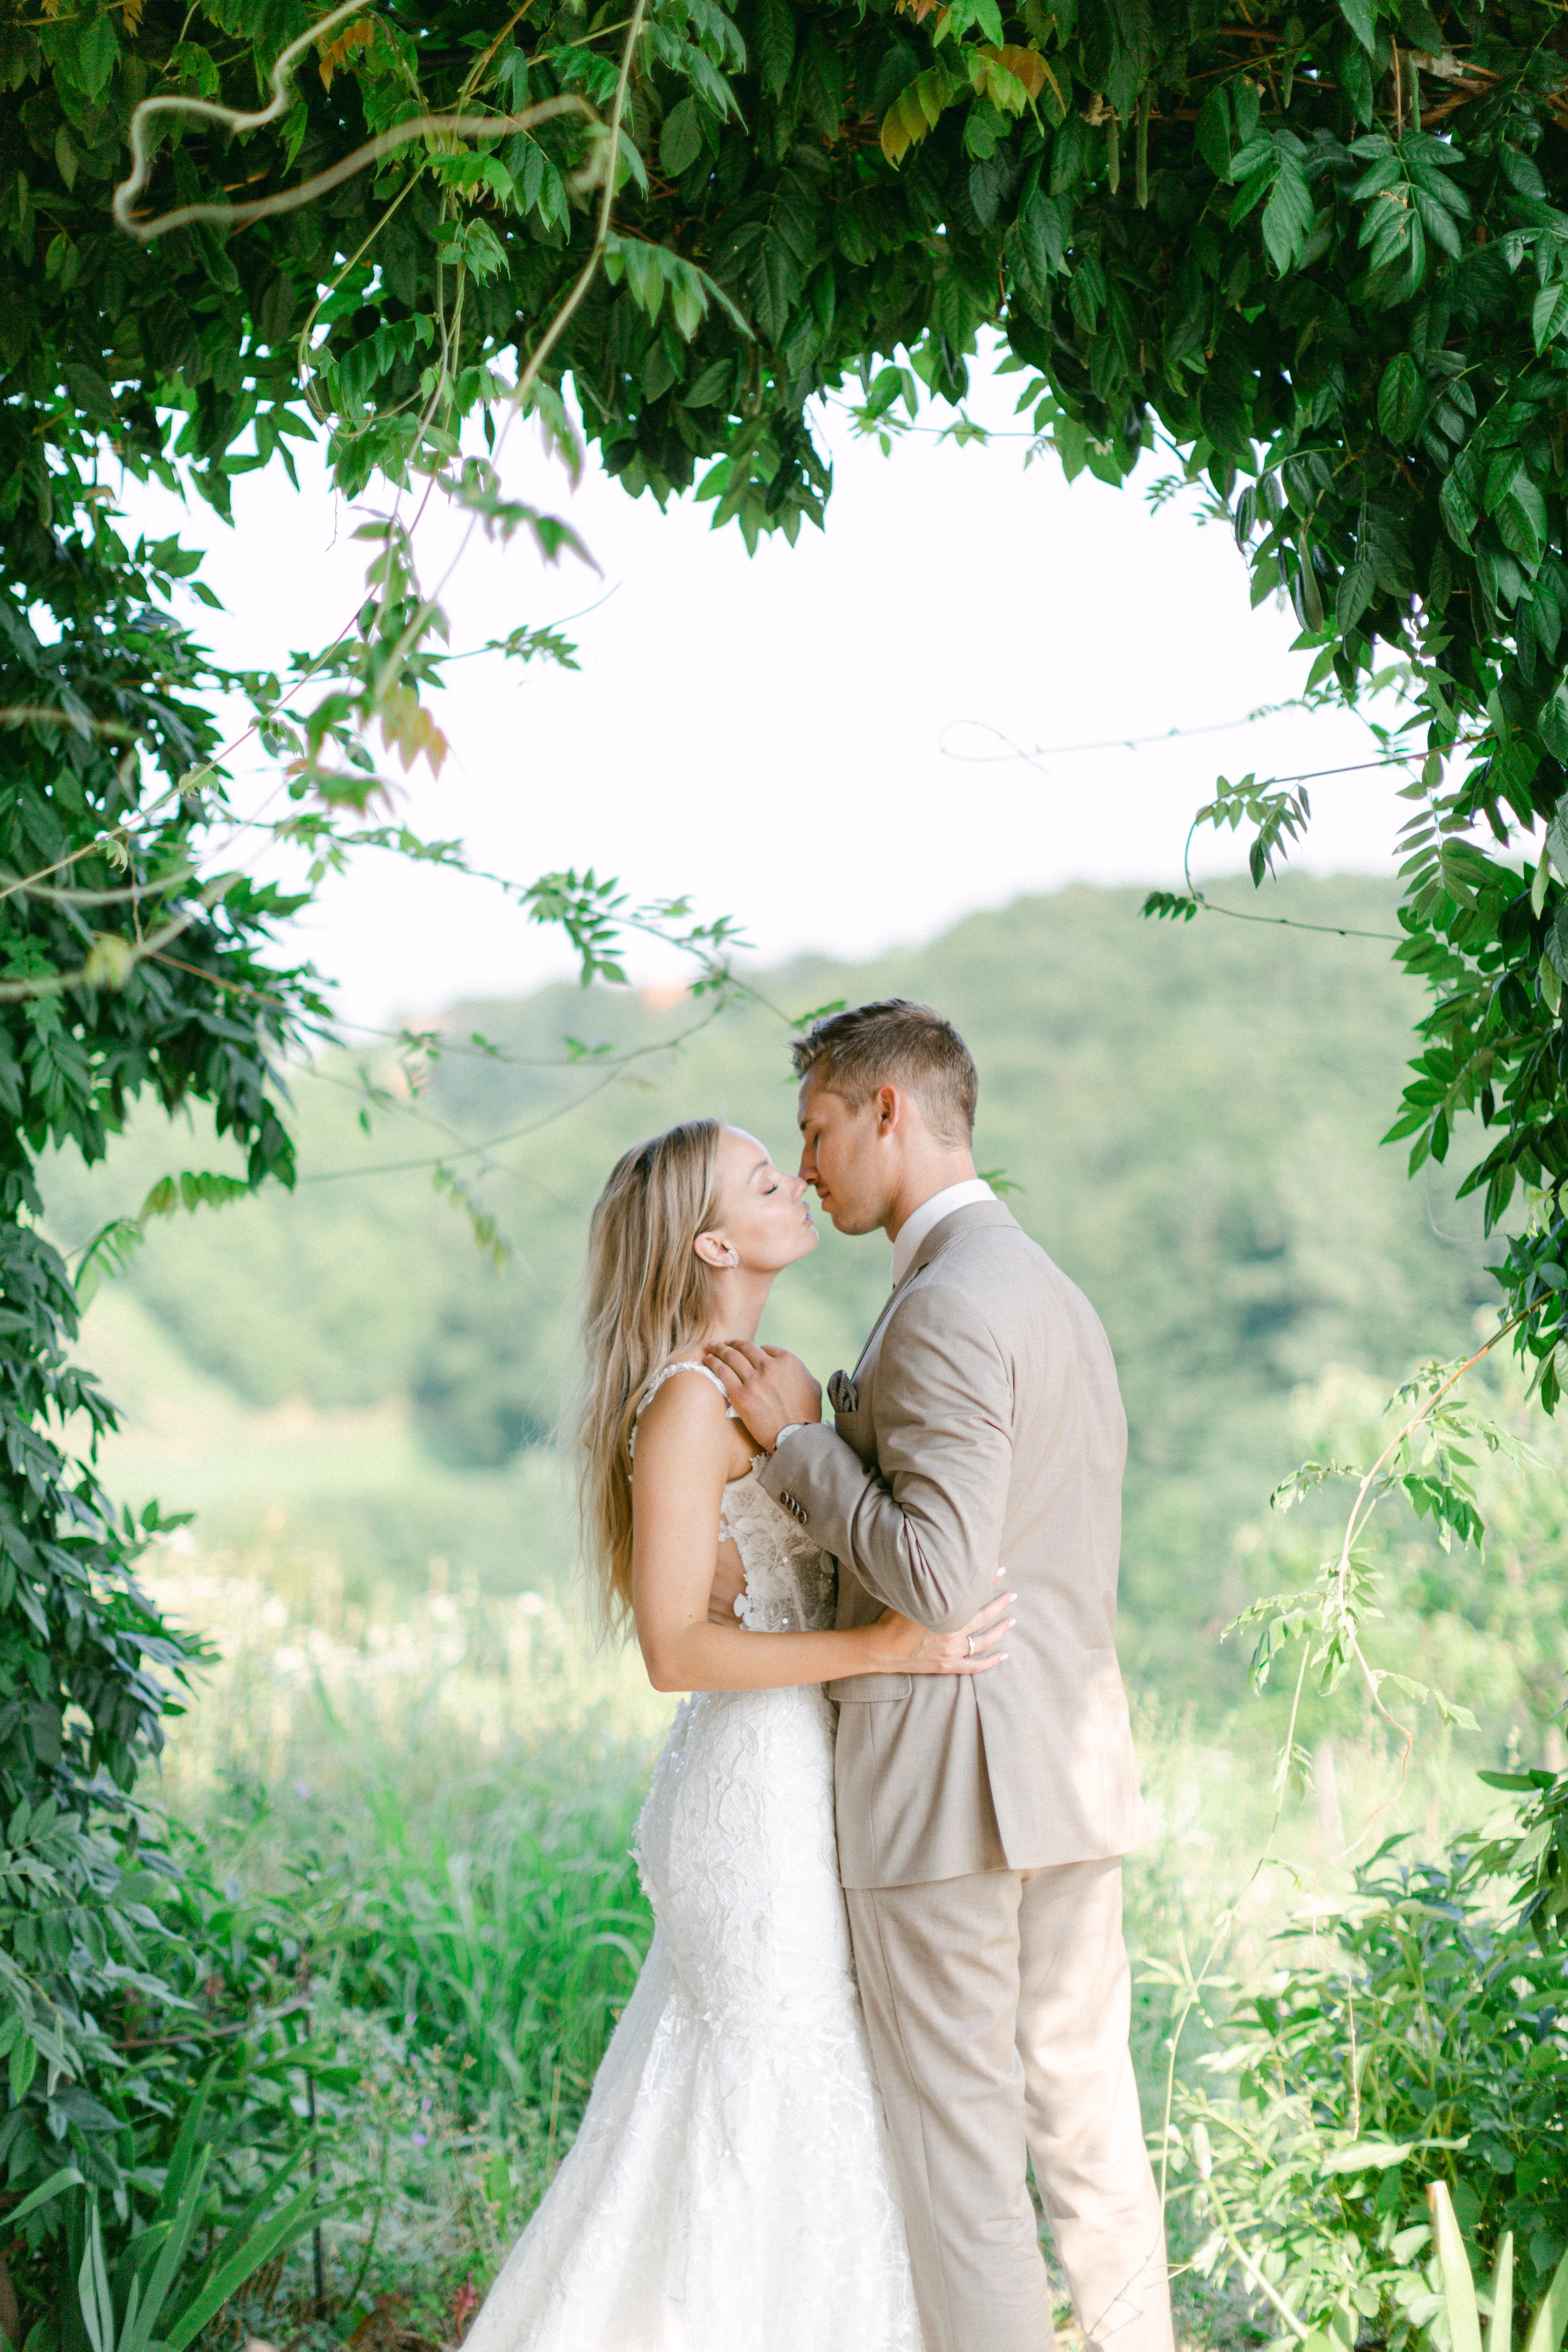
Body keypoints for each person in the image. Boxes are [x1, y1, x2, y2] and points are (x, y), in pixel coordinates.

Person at [461, 1115, 1013, 2352]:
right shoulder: (686, 1404)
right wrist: (878, 1654)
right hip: (751, 1793)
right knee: (771, 2094)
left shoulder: (775, 1381)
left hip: (803, 1775)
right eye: (767, 1179)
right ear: (714, 1239)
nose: (797, 1181)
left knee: (783, 2100)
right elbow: (673, 1647)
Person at [703, 999, 1173, 2352]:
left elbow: (941, 1574)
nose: (806, 1168)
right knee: (1089, 2136)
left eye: (817, 1128)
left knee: (964, 2162)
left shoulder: (951, 1303)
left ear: (889, 1110)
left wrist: (801, 1442)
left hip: (952, 1799)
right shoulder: (1051, 1292)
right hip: (1066, 1779)